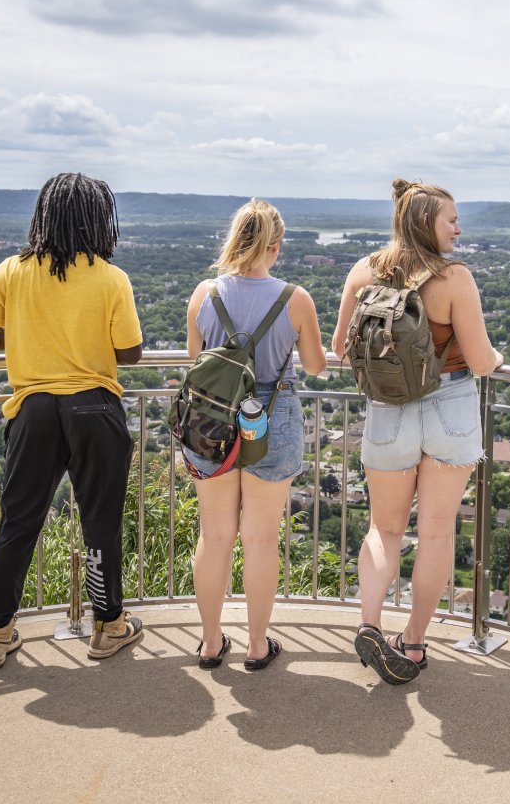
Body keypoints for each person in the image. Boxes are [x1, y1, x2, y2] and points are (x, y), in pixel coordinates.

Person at [0, 173, 145, 671]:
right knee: (100, 522)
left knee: (18, 522)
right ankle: (108, 626)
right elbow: (129, 352)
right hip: (94, 407)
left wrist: (30, 335)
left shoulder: (12, 271)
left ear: (42, 214)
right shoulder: (110, 277)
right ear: (98, 220)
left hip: (35, 410)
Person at [332, 179, 504, 684]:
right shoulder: (453, 278)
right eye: (451, 218)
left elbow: (342, 346)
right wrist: (496, 358)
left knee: (384, 529)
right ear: (427, 221)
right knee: (435, 532)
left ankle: (369, 623)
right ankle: (413, 643)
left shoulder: (363, 272)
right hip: (449, 407)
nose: (458, 227)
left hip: (388, 410)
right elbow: (479, 360)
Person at [185, 199, 327, 670]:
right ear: (276, 246)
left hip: (212, 421)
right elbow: (314, 365)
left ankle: (209, 643)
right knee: (262, 539)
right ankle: (258, 645)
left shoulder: (205, 294)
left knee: (216, 535)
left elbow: (196, 361)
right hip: (271, 414)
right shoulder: (295, 298)